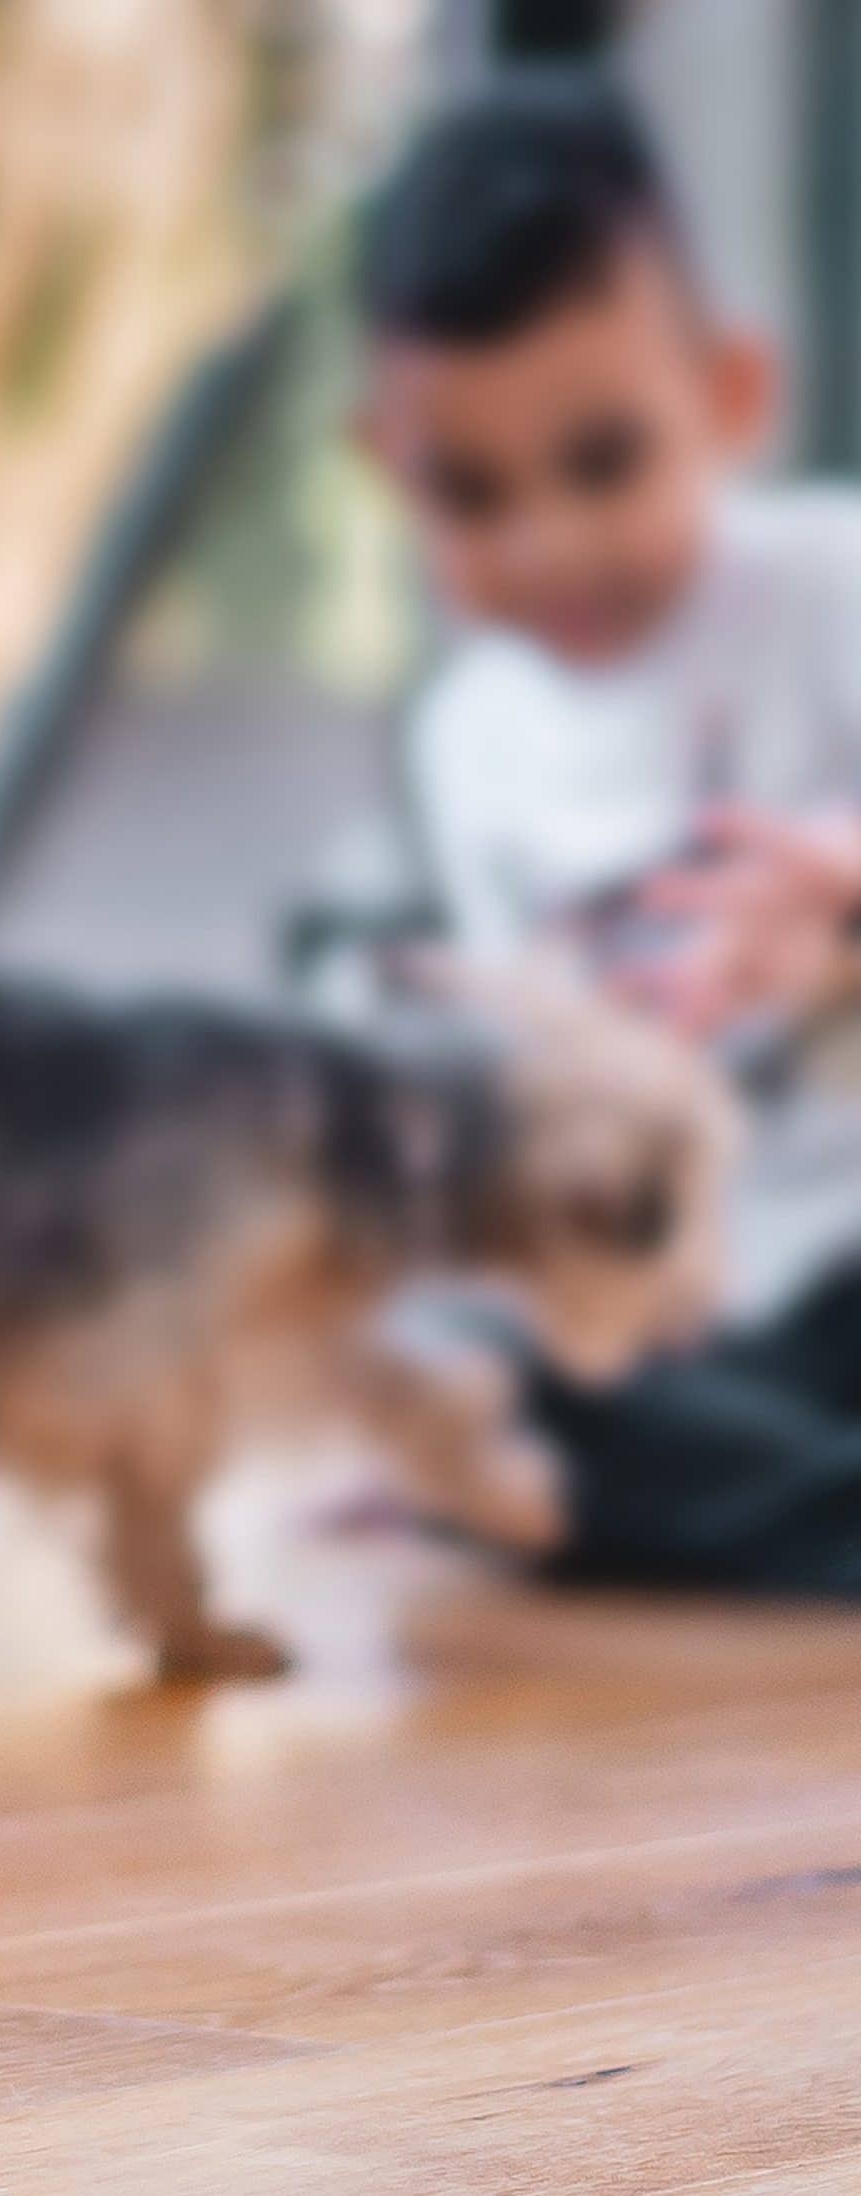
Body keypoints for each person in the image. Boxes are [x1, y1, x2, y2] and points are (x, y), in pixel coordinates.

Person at [357, 69, 861, 1594]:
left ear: (733, 396)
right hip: (710, 1332)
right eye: (469, 492)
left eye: (602, 461)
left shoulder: (831, 587)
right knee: (461, 1380)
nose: (546, 541)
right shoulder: (467, 742)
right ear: (388, 471)